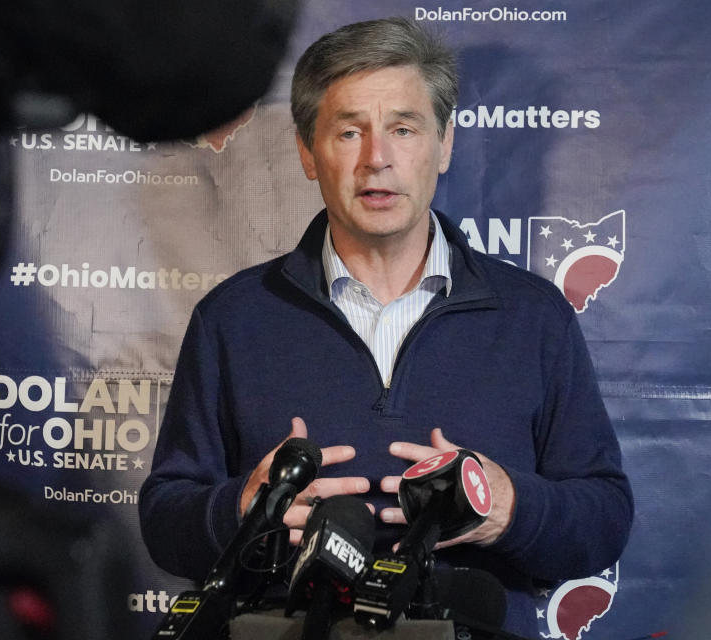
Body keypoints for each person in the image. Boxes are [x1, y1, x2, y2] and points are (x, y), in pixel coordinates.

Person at [139, 16, 633, 637]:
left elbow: (604, 521)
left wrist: (510, 507)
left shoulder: (535, 318)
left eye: (404, 128)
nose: (377, 158)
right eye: (350, 132)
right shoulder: (232, 318)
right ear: (306, 152)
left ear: (445, 143)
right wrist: (243, 507)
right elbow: (164, 522)